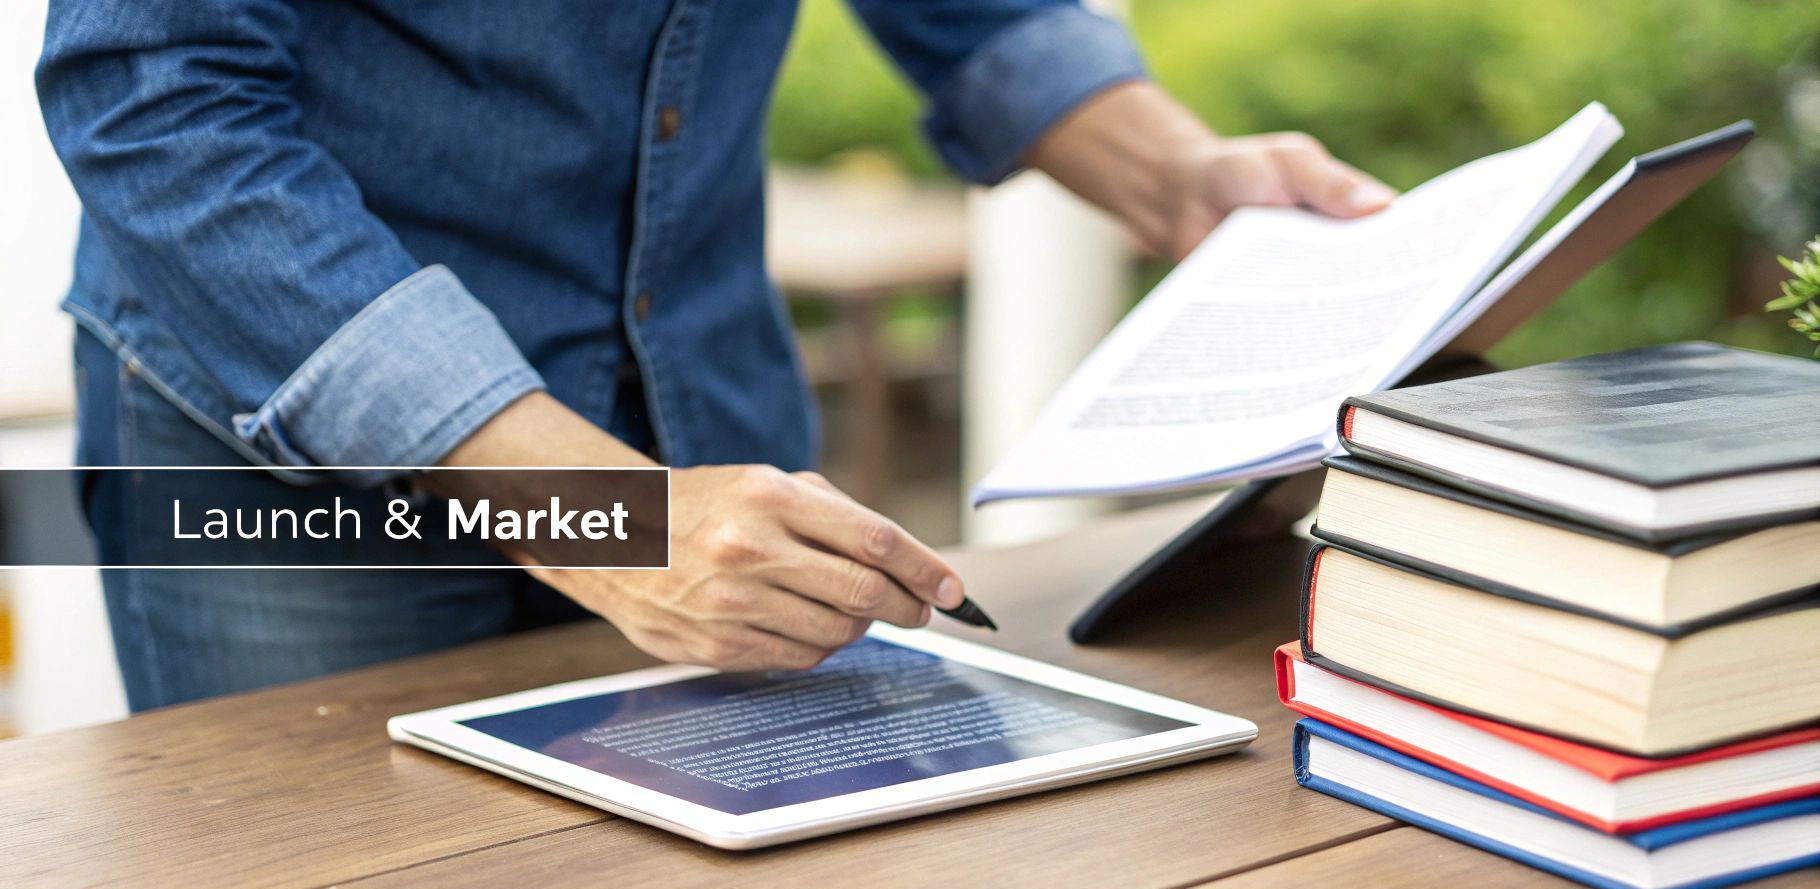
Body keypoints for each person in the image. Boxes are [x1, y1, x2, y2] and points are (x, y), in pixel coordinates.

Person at [38, 1, 1392, 711]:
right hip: (288, 459)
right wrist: (595, 512)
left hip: (693, 405)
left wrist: (1178, 174)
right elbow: (153, 101)